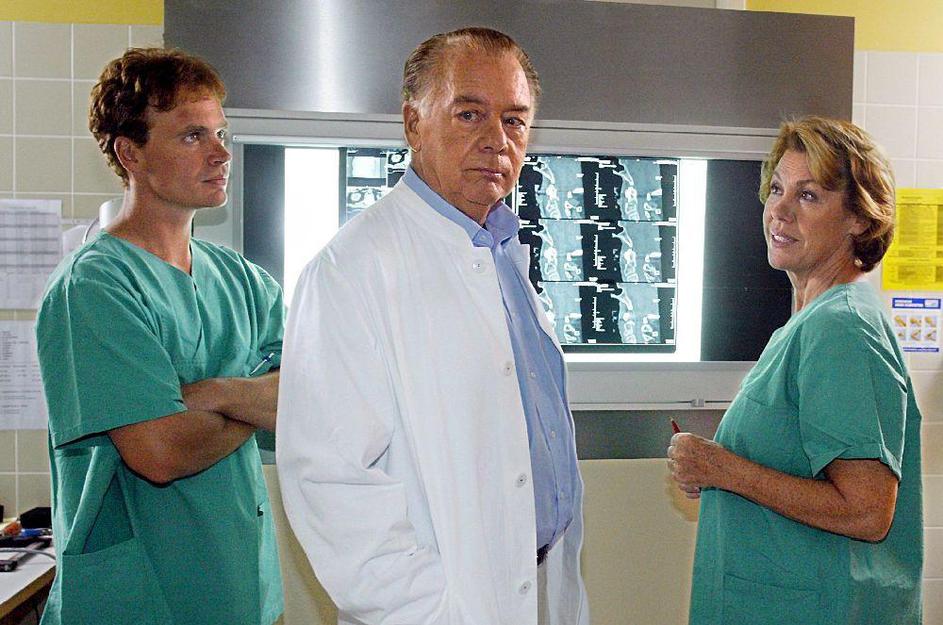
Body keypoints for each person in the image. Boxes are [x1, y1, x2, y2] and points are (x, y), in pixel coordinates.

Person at [277, 27, 588, 625]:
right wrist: (436, 612)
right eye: (469, 114)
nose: (496, 140)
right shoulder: (351, 270)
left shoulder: (502, 254)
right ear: (413, 123)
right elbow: (331, 485)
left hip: (537, 585)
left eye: (515, 120)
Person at [36, 48, 285, 625]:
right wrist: (258, 400)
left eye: (221, 133)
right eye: (193, 136)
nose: (221, 153)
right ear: (131, 152)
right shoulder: (93, 286)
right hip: (139, 600)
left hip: (240, 589)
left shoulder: (245, 282)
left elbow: (311, 400)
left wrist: (214, 394)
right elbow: (160, 453)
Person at [668, 116, 923, 624]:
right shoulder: (809, 324)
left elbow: (867, 511)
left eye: (808, 196)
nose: (779, 211)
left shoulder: (842, 328)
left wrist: (724, 469)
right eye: (777, 190)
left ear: (859, 219)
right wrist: (717, 471)